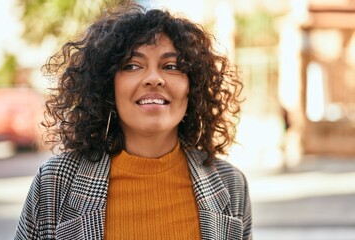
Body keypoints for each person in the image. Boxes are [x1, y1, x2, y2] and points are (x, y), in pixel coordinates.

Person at [15, 4, 252, 240]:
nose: (153, 79)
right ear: (107, 86)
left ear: (193, 86)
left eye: (171, 66)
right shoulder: (56, 182)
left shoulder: (230, 184)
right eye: (132, 66)